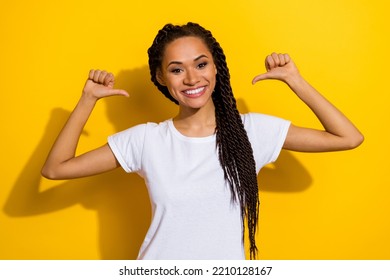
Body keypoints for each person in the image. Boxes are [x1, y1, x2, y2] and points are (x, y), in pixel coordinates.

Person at [41, 22, 364, 260]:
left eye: (201, 64)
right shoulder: (146, 140)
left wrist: (295, 80)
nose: (193, 78)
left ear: (216, 67)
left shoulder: (252, 132)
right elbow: (56, 169)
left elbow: (348, 137)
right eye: (176, 70)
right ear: (160, 78)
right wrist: (87, 100)